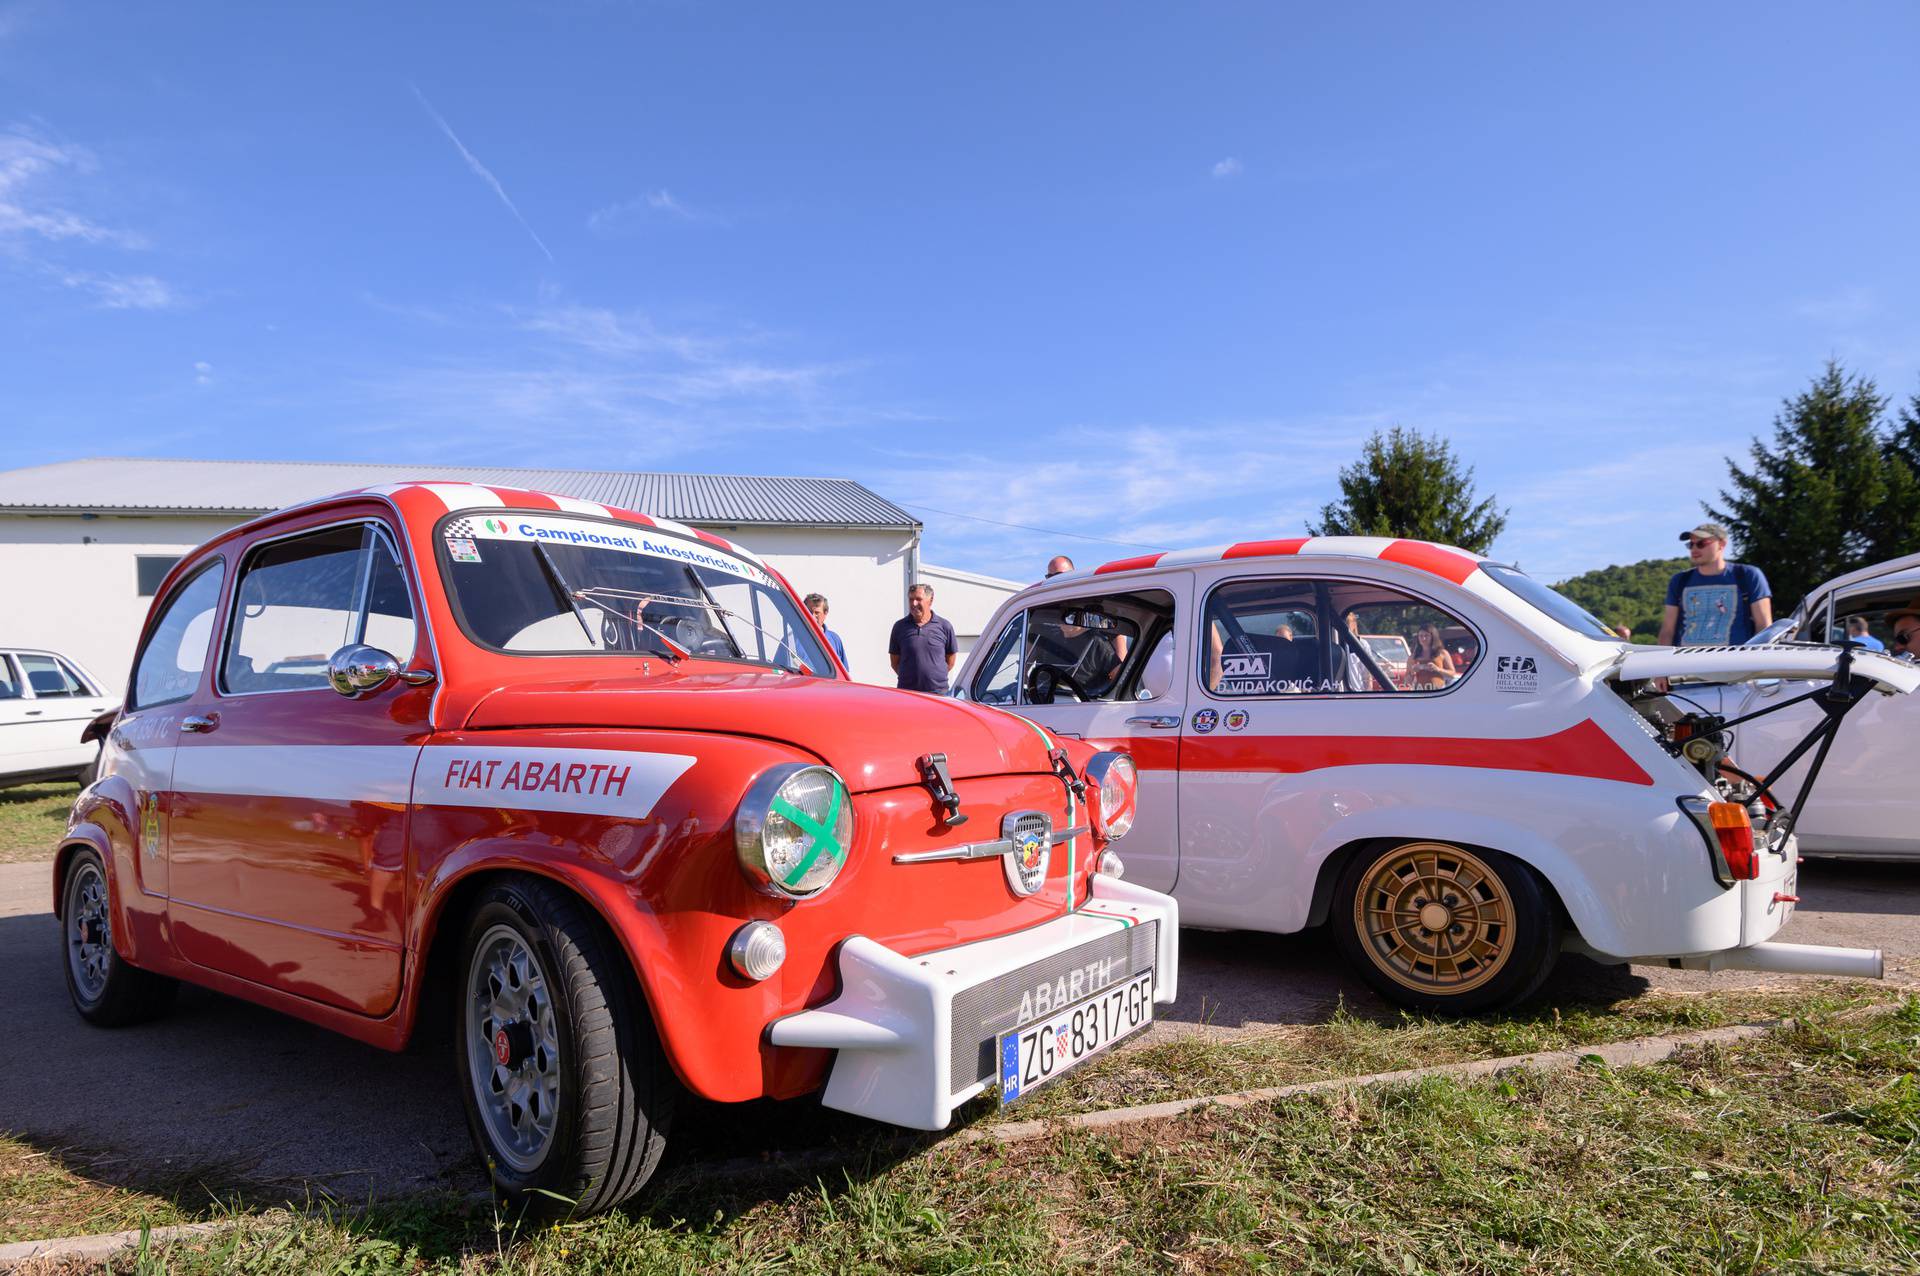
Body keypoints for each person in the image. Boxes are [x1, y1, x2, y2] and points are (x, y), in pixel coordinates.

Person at [1657, 522, 1772, 647]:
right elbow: (1667, 631)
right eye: (1691, 544)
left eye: (1702, 543)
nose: (1694, 549)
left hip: (1734, 662)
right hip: (1687, 662)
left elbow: (1764, 626)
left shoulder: (1747, 575)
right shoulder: (1680, 580)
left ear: (1721, 544)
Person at [888, 583, 957, 693]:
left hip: (938, 693)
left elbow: (951, 660)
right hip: (907, 693)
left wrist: (934, 677)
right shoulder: (899, 627)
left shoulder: (944, 626)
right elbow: (894, 662)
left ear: (930, 600)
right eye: (911, 599)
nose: (914, 603)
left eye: (918, 599)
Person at [802, 593, 848, 667]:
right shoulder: (791, 639)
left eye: (817, 613)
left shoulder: (835, 640)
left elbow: (844, 674)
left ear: (825, 613)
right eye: (808, 612)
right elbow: (780, 673)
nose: (812, 617)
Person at [1408, 622, 1458, 689]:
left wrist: (1437, 669)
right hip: (1420, 693)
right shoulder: (1413, 657)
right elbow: (1407, 680)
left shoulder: (1442, 653)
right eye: (1421, 636)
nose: (1423, 638)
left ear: (1433, 636)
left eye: (1426, 635)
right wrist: (1413, 672)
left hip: (1438, 692)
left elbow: (1452, 674)